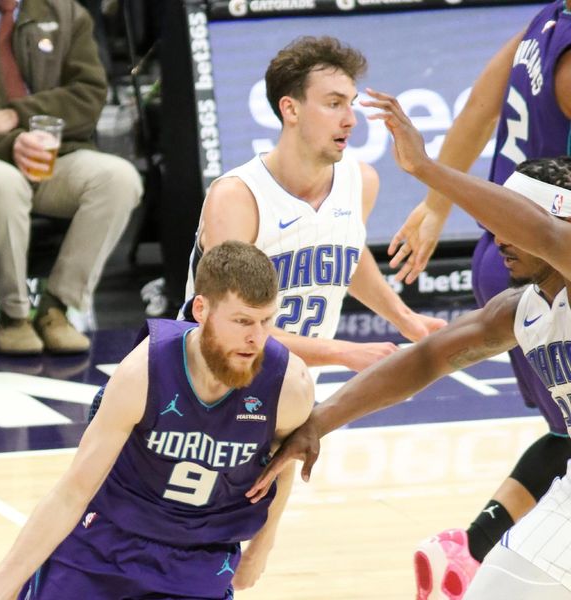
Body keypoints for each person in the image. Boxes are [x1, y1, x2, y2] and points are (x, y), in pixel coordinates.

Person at [247, 90, 571, 599]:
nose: (498, 236)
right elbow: (426, 360)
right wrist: (318, 424)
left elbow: (546, 235)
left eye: (511, 221)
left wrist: (425, 168)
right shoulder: (523, 308)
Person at [0, 241, 313, 599]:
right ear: (201, 309)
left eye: (266, 321)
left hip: (200, 557)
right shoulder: (143, 372)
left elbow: (282, 464)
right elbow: (73, 492)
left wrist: (263, 545)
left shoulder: (289, 386)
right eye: (242, 321)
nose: (256, 338)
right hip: (106, 543)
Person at [382, 3, 571, 593]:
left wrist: (438, 204)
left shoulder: (546, 21)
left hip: (502, 245)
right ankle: (479, 550)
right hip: (547, 248)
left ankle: (471, 548)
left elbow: (481, 106)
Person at [182, 36, 445, 375]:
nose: (350, 119)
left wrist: (406, 319)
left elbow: (344, 249)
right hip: (210, 385)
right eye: (334, 104)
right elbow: (227, 328)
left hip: (292, 383)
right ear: (290, 109)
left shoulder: (361, 181)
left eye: (350, 104)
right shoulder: (238, 197)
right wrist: (342, 352)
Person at [0, 0, 143, 356]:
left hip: (55, 155)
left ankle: (56, 307)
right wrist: (10, 143)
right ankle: (14, 315)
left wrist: (11, 116)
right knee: (3, 183)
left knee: (119, 178)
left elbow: (89, 96)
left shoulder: (65, 13)